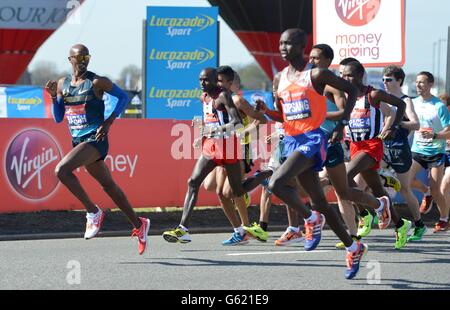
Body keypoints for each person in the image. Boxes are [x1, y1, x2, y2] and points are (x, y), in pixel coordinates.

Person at [258, 28, 367, 280]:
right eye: (280, 43)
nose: (282, 48)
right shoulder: (281, 77)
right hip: (292, 140)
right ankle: (353, 247)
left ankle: (310, 218)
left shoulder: (317, 74)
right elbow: (285, 116)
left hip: (313, 138)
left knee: (275, 183)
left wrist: (343, 121)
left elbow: (352, 90)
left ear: (301, 46)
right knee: (319, 201)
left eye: (288, 43)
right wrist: (266, 111)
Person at [44, 44, 150, 255]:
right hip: (79, 141)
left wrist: (109, 122)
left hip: (95, 139)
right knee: (109, 187)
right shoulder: (62, 84)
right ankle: (140, 224)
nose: (83, 61)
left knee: (62, 171)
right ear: (70, 60)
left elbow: (123, 97)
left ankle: (93, 212)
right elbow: (58, 118)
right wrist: (52, 97)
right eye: (79, 57)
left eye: (86, 57)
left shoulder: (97, 82)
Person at [162, 68, 272, 243]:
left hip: (229, 147)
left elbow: (236, 124)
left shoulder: (225, 96)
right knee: (193, 182)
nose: (202, 83)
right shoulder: (204, 97)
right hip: (211, 147)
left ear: (215, 80)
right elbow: (208, 118)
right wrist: (201, 134)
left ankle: (263, 175)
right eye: (200, 79)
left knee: (237, 191)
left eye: (206, 80)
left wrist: (215, 130)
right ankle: (183, 229)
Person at [341, 60, 413, 250]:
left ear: (358, 76)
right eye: (342, 75)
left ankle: (364, 213)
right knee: (379, 191)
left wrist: (393, 126)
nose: (344, 78)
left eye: (348, 75)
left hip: (372, 145)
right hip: (356, 146)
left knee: (345, 175)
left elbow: (400, 105)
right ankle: (401, 224)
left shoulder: (373, 94)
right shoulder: (348, 96)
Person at [202, 66, 267, 246]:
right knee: (211, 186)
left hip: (241, 148)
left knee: (228, 192)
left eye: (220, 81)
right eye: (217, 81)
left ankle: (243, 228)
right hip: (222, 147)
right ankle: (251, 187)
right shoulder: (214, 99)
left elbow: (262, 120)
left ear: (231, 84)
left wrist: (244, 132)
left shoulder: (237, 100)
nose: (217, 84)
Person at [381, 65, 426, 241]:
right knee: (365, 179)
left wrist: (398, 123)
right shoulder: (382, 98)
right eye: (384, 79)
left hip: (400, 149)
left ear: (399, 80)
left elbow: (415, 124)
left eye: (389, 79)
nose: (385, 82)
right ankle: (371, 214)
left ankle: (419, 224)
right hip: (383, 147)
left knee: (406, 190)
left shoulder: (406, 100)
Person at [410, 73, 450, 232]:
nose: (418, 86)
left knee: (437, 189)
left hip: (436, 152)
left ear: (430, 84)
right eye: (417, 82)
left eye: (422, 83)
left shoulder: (439, 106)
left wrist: (435, 135)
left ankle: (444, 218)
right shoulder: (412, 103)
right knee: (406, 182)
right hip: (417, 151)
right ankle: (425, 191)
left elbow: (449, 131)